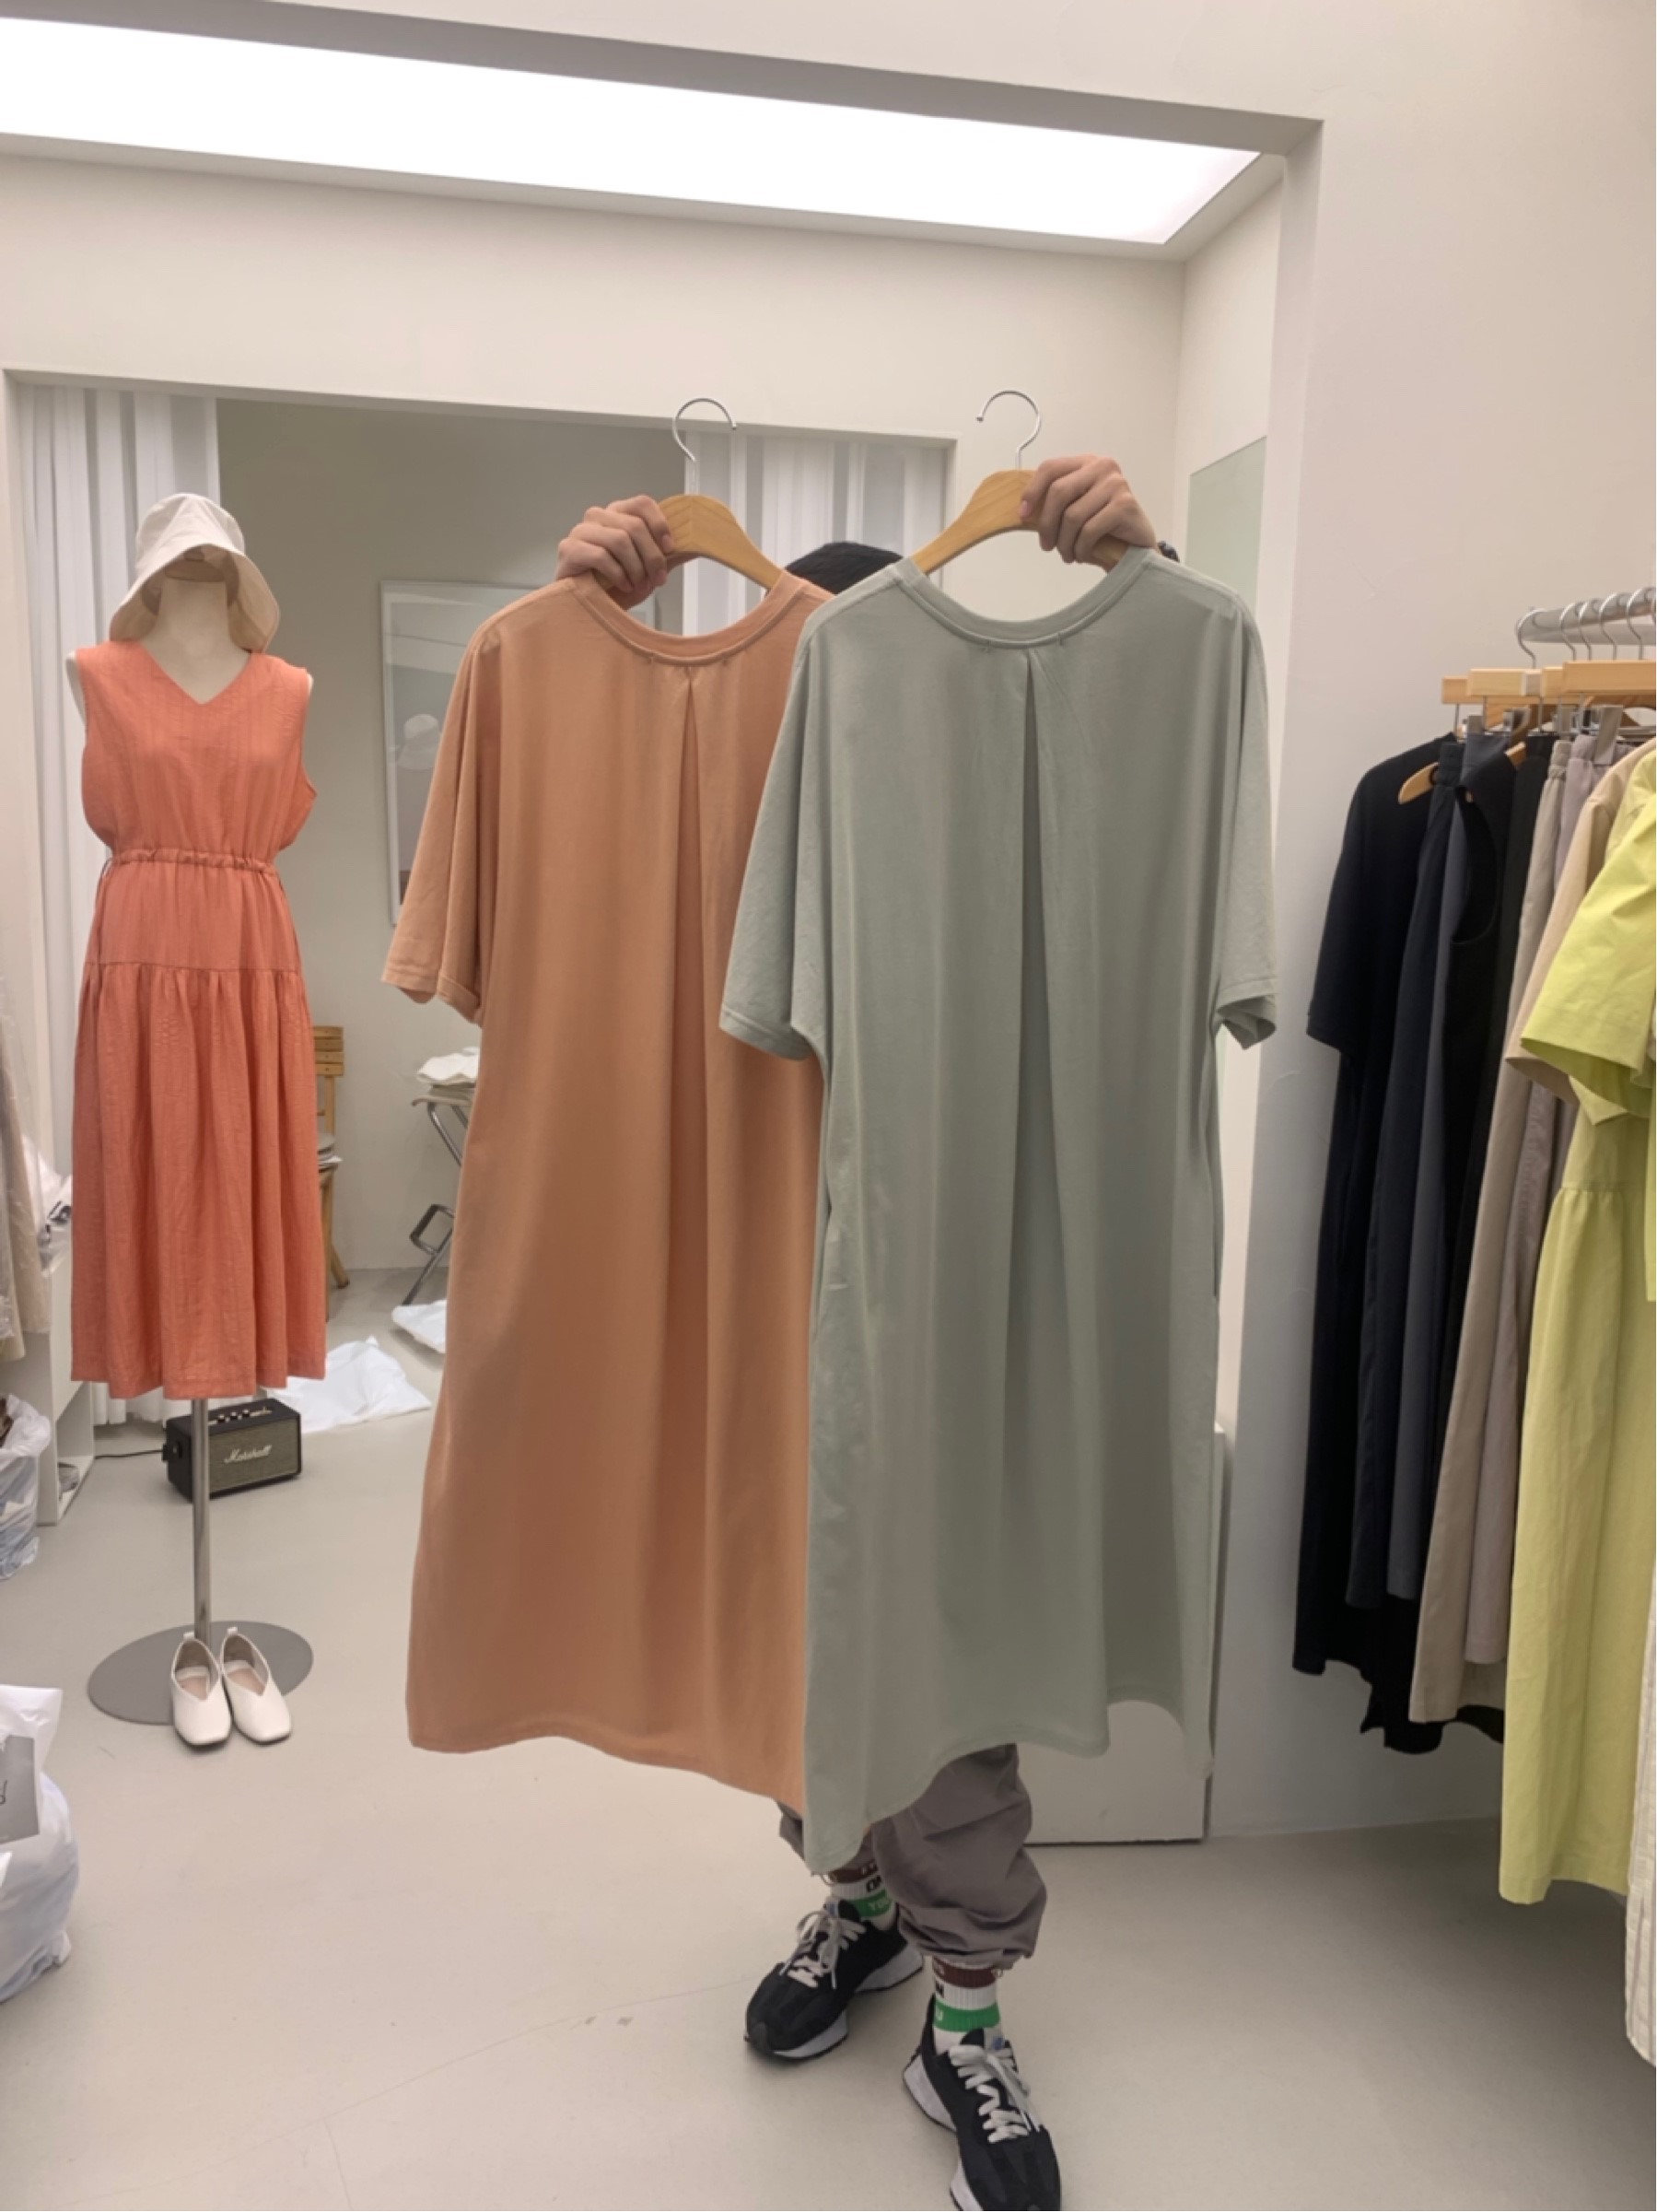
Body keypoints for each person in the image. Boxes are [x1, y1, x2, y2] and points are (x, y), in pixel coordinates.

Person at [554, 455, 1167, 2212]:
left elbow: (1115, 806)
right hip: (751, 1251)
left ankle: (963, 2008)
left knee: (943, 1624)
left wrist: (1131, 564)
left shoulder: (967, 776)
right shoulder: (711, 775)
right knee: (796, 1626)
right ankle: (863, 1900)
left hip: (943, 1252)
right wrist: (591, 615)